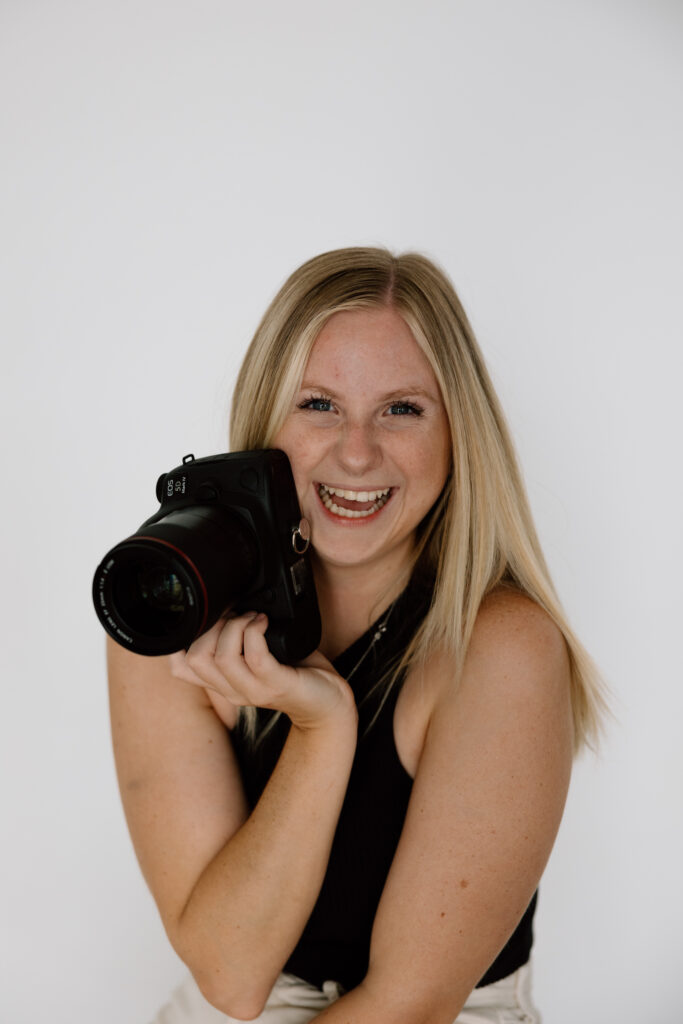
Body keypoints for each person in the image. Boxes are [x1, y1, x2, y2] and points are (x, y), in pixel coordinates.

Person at [107, 247, 606, 1024]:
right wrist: (323, 729)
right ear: (267, 416)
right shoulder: (167, 601)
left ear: (457, 434)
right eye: (318, 404)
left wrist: (320, 713)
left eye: (401, 409)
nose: (356, 451)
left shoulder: (502, 648)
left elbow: (409, 1005)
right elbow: (231, 976)